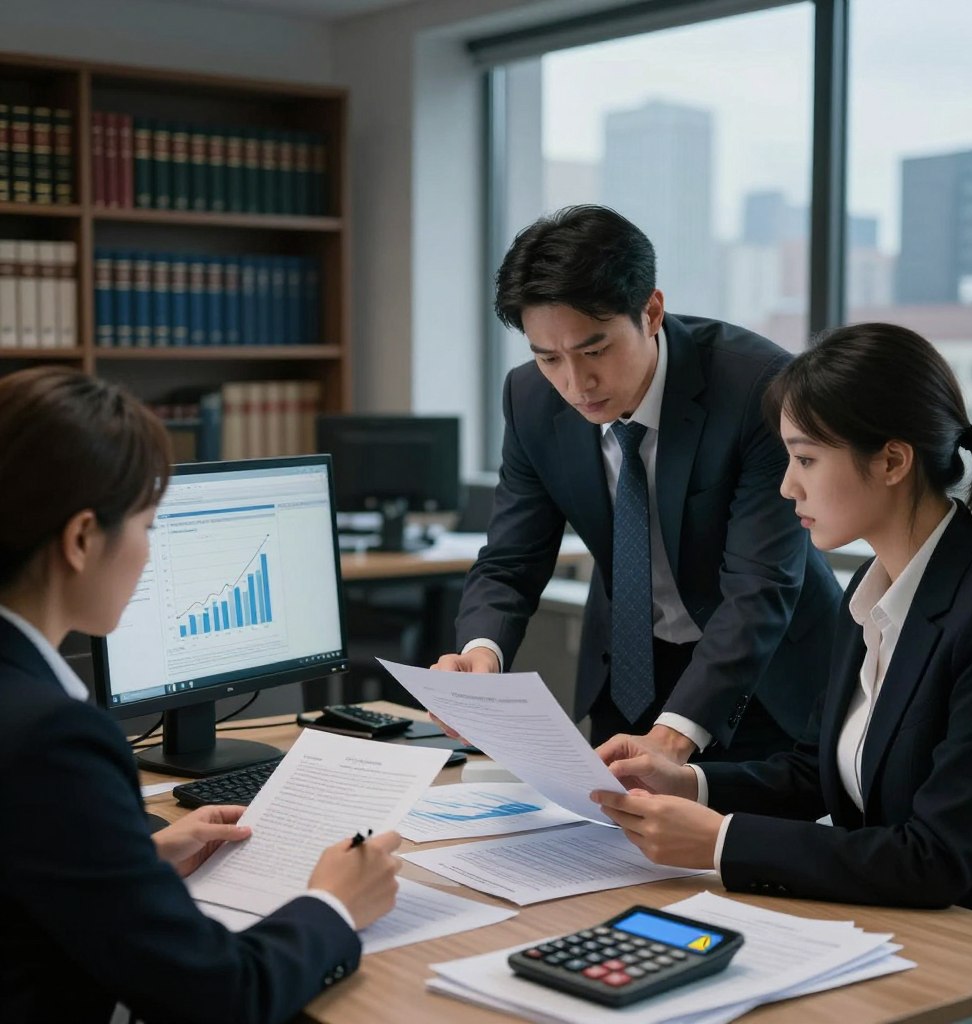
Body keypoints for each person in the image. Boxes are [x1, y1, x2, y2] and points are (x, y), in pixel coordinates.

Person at [0, 367, 403, 1023]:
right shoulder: (54, 739)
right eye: (148, 526)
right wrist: (334, 904)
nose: (149, 553)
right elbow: (220, 995)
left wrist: (136, 858)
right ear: (80, 540)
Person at [593, 322, 972, 922]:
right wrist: (688, 784)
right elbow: (811, 772)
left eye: (806, 458)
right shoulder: (874, 586)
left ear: (893, 460)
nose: (787, 484)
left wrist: (720, 842)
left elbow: (936, 858)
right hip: (892, 926)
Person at [434, 205, 840, 763]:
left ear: (651, 311)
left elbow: (760, 585)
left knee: (731, 843)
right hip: (629, 673)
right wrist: (481, 652)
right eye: (549, 357)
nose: (576, 384)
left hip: (762, 680)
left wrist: (674, 737)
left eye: (594, 349)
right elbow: (510, 558)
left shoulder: (758, 389)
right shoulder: (530, 399)